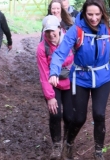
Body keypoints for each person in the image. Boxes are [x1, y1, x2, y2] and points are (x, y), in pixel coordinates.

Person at [48, 0, 110, 159]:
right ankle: (69, 143)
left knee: (99, 114)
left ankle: (98, 152)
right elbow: (60, 53)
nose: (94, 18)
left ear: (102, 13)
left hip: (103, 77)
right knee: (79, 118)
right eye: (90, 14)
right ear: (84, 13)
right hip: (80, 77)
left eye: (97, 14)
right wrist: (54, 72)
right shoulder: (77, 30)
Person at [36, 15, 74, 160]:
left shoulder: (70, 41)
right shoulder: (42, 48)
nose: (51, 35)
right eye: (47, 32)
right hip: (53, 84)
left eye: (53, 31)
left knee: (70, 116)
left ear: (60, 29)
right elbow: (44, 74)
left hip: (70, 83)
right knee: (55, 114)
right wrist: (50, 97)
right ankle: (57, 145)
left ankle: (68, 143)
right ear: (44, 32)